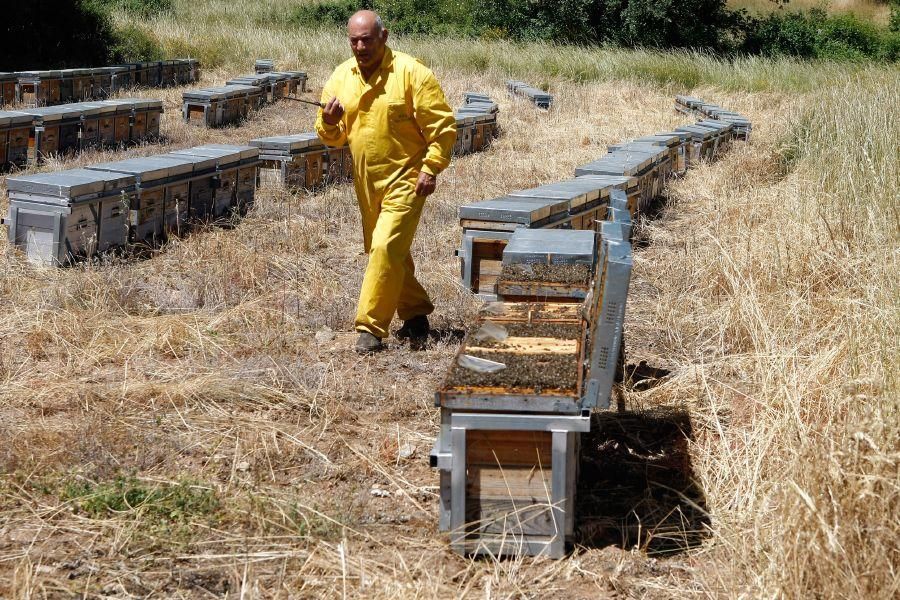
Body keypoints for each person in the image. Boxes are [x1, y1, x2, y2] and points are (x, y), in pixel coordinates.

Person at [315, 10, 457, 354]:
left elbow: (443, 128)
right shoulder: (341, 77)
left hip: (408, 179)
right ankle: (416, 311)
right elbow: (330, 138)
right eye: (354, 40)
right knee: (388, 250)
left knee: (384, 246)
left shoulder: (412, 74)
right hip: (366, 183)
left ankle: (370, 328)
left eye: (366, 39)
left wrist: (431, 167)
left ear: (384, 36)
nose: (360, 47)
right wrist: (330, 121)